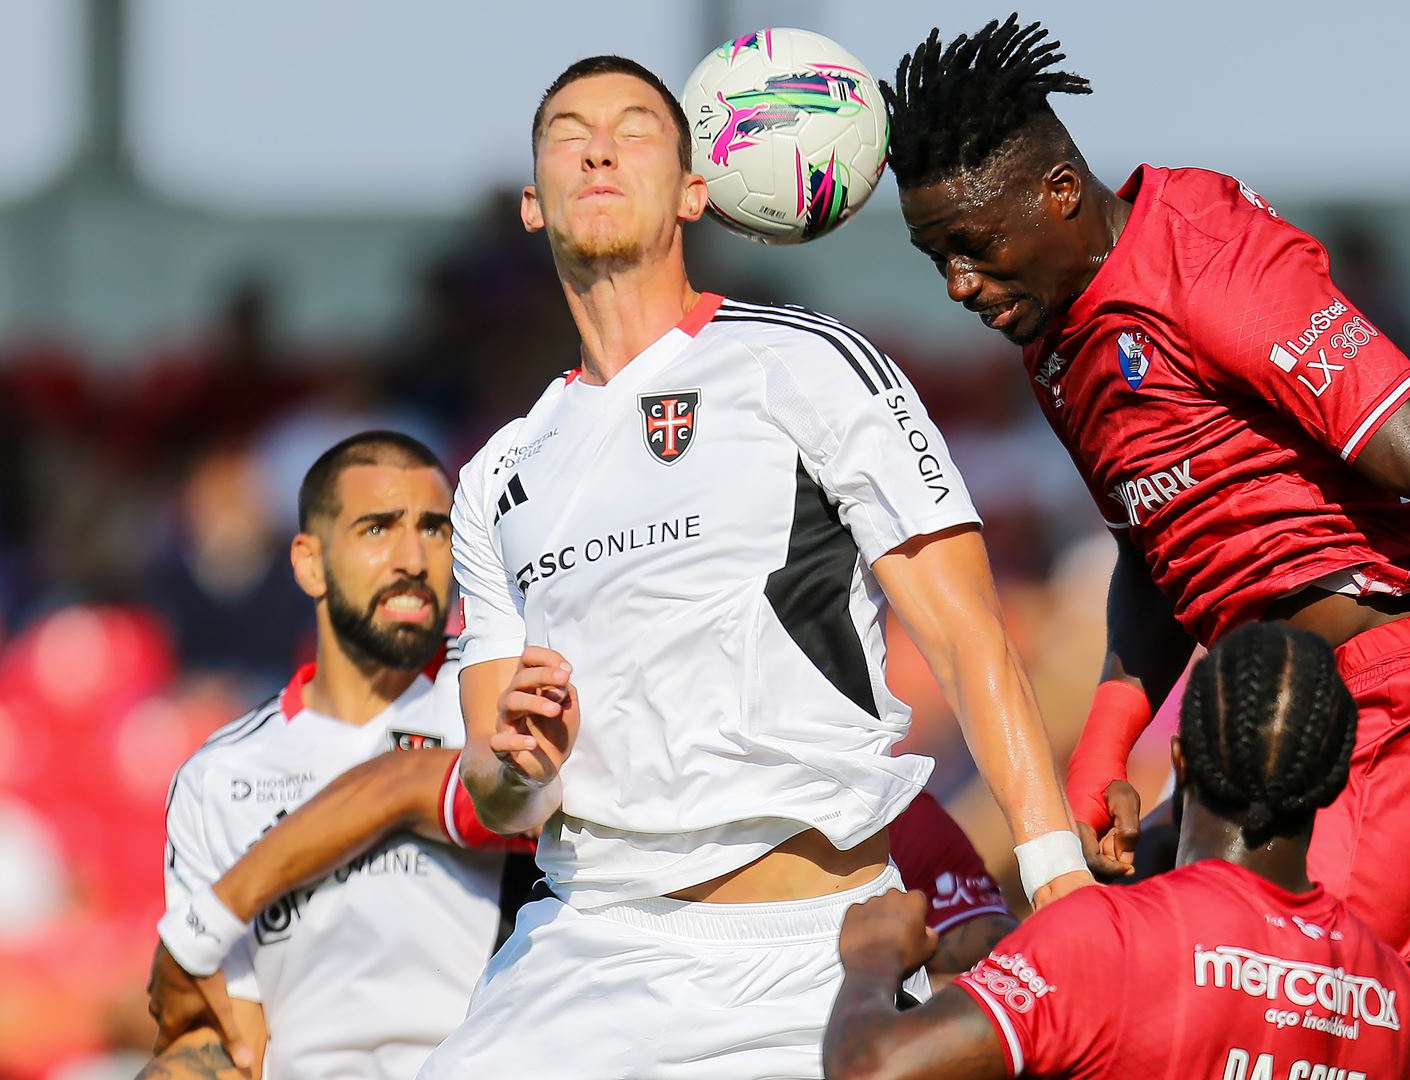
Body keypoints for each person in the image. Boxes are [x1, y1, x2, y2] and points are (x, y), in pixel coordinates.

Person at [879, 16, 1410, 1070]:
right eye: (937, 261)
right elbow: (1153, 552)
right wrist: (1106, 743)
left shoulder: (1206, 255)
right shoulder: (1055, 343)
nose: (959, 285)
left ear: (1059, 192)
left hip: (1393, 701)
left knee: (1254, 1003)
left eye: (974, 247)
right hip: (1255, 739)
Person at [419, 55, 1092, 1078]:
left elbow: (968, 639)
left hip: (807, 958)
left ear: (697, 190)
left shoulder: (809, 364)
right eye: (569, 134)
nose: (599, 150)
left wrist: (1059, 885)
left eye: (634, 130)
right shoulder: (496, 477)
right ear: (531, 202)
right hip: (581, 949)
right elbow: (499, 791)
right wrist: (515, 767)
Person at [824, 622, 1410, 1079]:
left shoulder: (1106, 938)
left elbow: (872, 1068)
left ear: (1180, 758)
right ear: (1334, 781)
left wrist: (874, 955)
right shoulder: (1394, 993)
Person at [147, 431, 536, 1079]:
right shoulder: (219, 776)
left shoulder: (491, 695)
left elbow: (437, 788)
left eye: (435, 529)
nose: (413, 558)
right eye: (377, 528)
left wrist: (205, 921)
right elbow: (232, 1046)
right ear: (309, 562)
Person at [145, 773, 1012, 1056]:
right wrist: (197, 931)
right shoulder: (613, 782)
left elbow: (996, 976)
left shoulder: (892, 814)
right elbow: (400, 786)